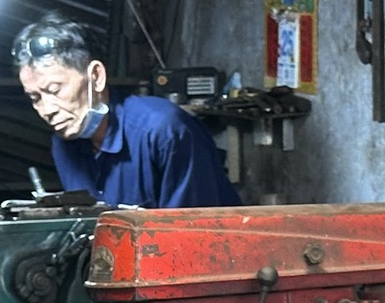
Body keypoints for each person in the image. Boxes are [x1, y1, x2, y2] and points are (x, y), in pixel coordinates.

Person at [13, 14, 239, 209]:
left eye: (55, 90)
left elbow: (193, 234)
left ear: (96, 77)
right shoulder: (64, 145)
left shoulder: (165, 131)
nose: (47, 110)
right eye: (35, 98)